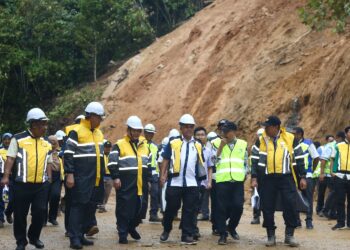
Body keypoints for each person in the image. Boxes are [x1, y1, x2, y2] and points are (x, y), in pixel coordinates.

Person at [251, 116, 306, 247]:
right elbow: (253, 159)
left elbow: (299, 158)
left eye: (267, 126)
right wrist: (254, 177)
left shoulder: (291, 138)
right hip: (267, 178)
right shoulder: (261, 140)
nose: (265, 129)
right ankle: (271, 236)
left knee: (290, 205)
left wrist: (302, 177)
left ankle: (289, 235)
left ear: (276, 127)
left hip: (286, 177)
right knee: (267, 207)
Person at [1, 108, 52, 250]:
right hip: (21, 185)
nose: (45, 127)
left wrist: (49, 179)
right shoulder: (18, 139)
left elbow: (48, 161)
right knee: (20, 215)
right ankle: (21, 242)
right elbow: (10, 158)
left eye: (45, 124)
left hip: (41, 185)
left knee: (40, 211)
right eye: (42, 124)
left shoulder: (46, 142)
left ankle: (34, 237)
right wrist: (6, 176)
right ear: (34, 124)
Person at [159, 114, 206, 245]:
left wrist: (202, 181)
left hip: (192, 183)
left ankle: (186, 234)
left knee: (190, 210)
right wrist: (162, 175)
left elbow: (200, 163)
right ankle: (166, 229)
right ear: (181, 128)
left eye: (191, 127)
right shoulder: (173, 142)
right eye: (186, 127)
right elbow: (166, 159)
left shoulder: (198, 145)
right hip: (175, 182)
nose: (189, 129)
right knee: (171, 208)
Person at [64, 102, 105, 249]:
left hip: (96, 177)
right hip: (81, 176)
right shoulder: (77, 131)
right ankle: (74, 238)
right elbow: (68, 154)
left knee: (89, 206)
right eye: (99, 117)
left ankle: (81, 235)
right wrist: (70, 174)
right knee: (78, 206)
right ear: (90, 116)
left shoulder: (99, 133)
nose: (101, 120)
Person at [108, 116, 151, 244]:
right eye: (134, 130)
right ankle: (122, 233)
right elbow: (111, 163)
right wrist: (115, 177)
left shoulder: (145, 146)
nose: (137, 133)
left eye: (139, 130)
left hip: (141, 183)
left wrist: (148, 180)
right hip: (125, 183)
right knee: (124, 209)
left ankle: (131, 227)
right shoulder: (119, 145)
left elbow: (148, 165)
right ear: (129, 130)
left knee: (141, 209)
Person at [215, 122, 248, 245]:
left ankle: (232, 227)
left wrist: (245, 174)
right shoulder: (217, 143)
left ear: (234, 132)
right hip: (222, 180)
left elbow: (245, 161)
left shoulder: (242, 144)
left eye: (227, 131)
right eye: (223, 131)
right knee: (221, 209)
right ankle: (223, 234)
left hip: (237, 181)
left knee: (238, 206)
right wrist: (220, 148)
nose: (224, 133)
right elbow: (213, 161)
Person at [292, 127, 319, 229]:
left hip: (307, 176)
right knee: (295, 199)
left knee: (308, 198)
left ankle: (309, 221)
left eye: (294, 134)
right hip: (294, 176)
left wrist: (311, 170)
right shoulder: (290, 143)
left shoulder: (308, 143)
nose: (292, 135)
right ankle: (297, 220)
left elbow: (316, 157)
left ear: (300, 134)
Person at [331, 126, 350, 230]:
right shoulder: (338, 145)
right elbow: (332, 159)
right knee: (340, 200)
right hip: (339, 176)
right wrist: (332, 172)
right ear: (346, 134)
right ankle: (340, 223)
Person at [44, 135, 64, 226]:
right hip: (45, 176)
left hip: (57, 176)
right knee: (44, 198)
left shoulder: (60, 152)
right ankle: (43, 219)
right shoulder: (44, 151)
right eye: (50, 141)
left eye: (54, 141)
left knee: (55, 196)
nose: (52, 143)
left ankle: (52, 218)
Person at [194, 127, 213, 222]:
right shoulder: (191, 149)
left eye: (202, 135)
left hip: (204, 182)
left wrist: (209, 182)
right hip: (192, 182)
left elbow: (210, 167)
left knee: (204, 200)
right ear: (194, 136)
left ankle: (205, 214)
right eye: (198, 135)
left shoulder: (208, 151)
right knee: (193, 204)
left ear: (206, 137)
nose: (200, 137)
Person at [144, 124, 162, 222]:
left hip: (154, 173)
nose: (149, 135)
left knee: (155, 194)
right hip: (143, 172)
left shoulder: (156, 146)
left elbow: (158, 160)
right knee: (143, 195)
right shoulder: (140, 144)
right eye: (148, 133)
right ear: (144, 133)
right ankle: (139, 215)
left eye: (151, 133)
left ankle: (153, 214)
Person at [318, 135, 337, 219]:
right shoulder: (323, 148)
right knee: (323, 193)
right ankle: (322, 210)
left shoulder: (333, 146)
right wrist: (321, 173)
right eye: (329, 139)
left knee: (331, 193)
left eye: (332, 139)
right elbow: (322, 160)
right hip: (326, 174)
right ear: (326, 140)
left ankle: (329, 212)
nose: (331, 140)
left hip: (329, 175)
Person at [251, 128, 264, 225]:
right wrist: (253, 177)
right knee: (256, 196)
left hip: (268, 175)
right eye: (259, 135)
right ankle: (256, 216)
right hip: (258, 175)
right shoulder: (255, 147)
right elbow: (253, 163)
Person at [0, 133, 13, 228]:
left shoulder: (16, 152)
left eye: (9, 139)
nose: (7, 141)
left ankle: (8, 212)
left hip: (14, 177)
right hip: (1, 176)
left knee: (13, 198)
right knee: (1, 198)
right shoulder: (0, 151)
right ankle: (0, 219)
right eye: (5, 139)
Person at [98, 141, 113, 213]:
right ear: (104, 147)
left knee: (107, 193)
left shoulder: (112, 156)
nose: (107, 149)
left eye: (109, 147)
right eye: (106, 147)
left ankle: (103, 205)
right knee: (101, 191)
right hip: (102, 176)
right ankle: (101, 206)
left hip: (110, 177)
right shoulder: (100, 155)